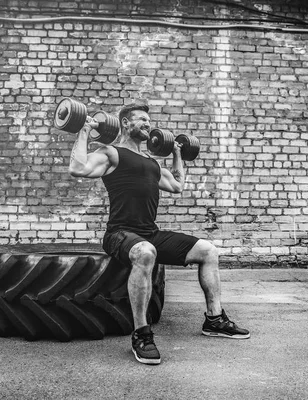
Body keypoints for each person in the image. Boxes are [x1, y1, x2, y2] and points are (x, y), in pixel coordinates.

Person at [68, 101, 249, 365]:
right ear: (125, 124)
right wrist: (84, 130)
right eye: (141, 119)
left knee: (208, 250)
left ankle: (214, 319)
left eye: (149, 120)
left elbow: (176, 185)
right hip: (120, 234)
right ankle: (141, 334)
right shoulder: (111, 153)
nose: (148, 124)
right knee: (146, 252)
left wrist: (176, 152)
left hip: (149, 233)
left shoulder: (152, 163)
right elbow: (78, 168)